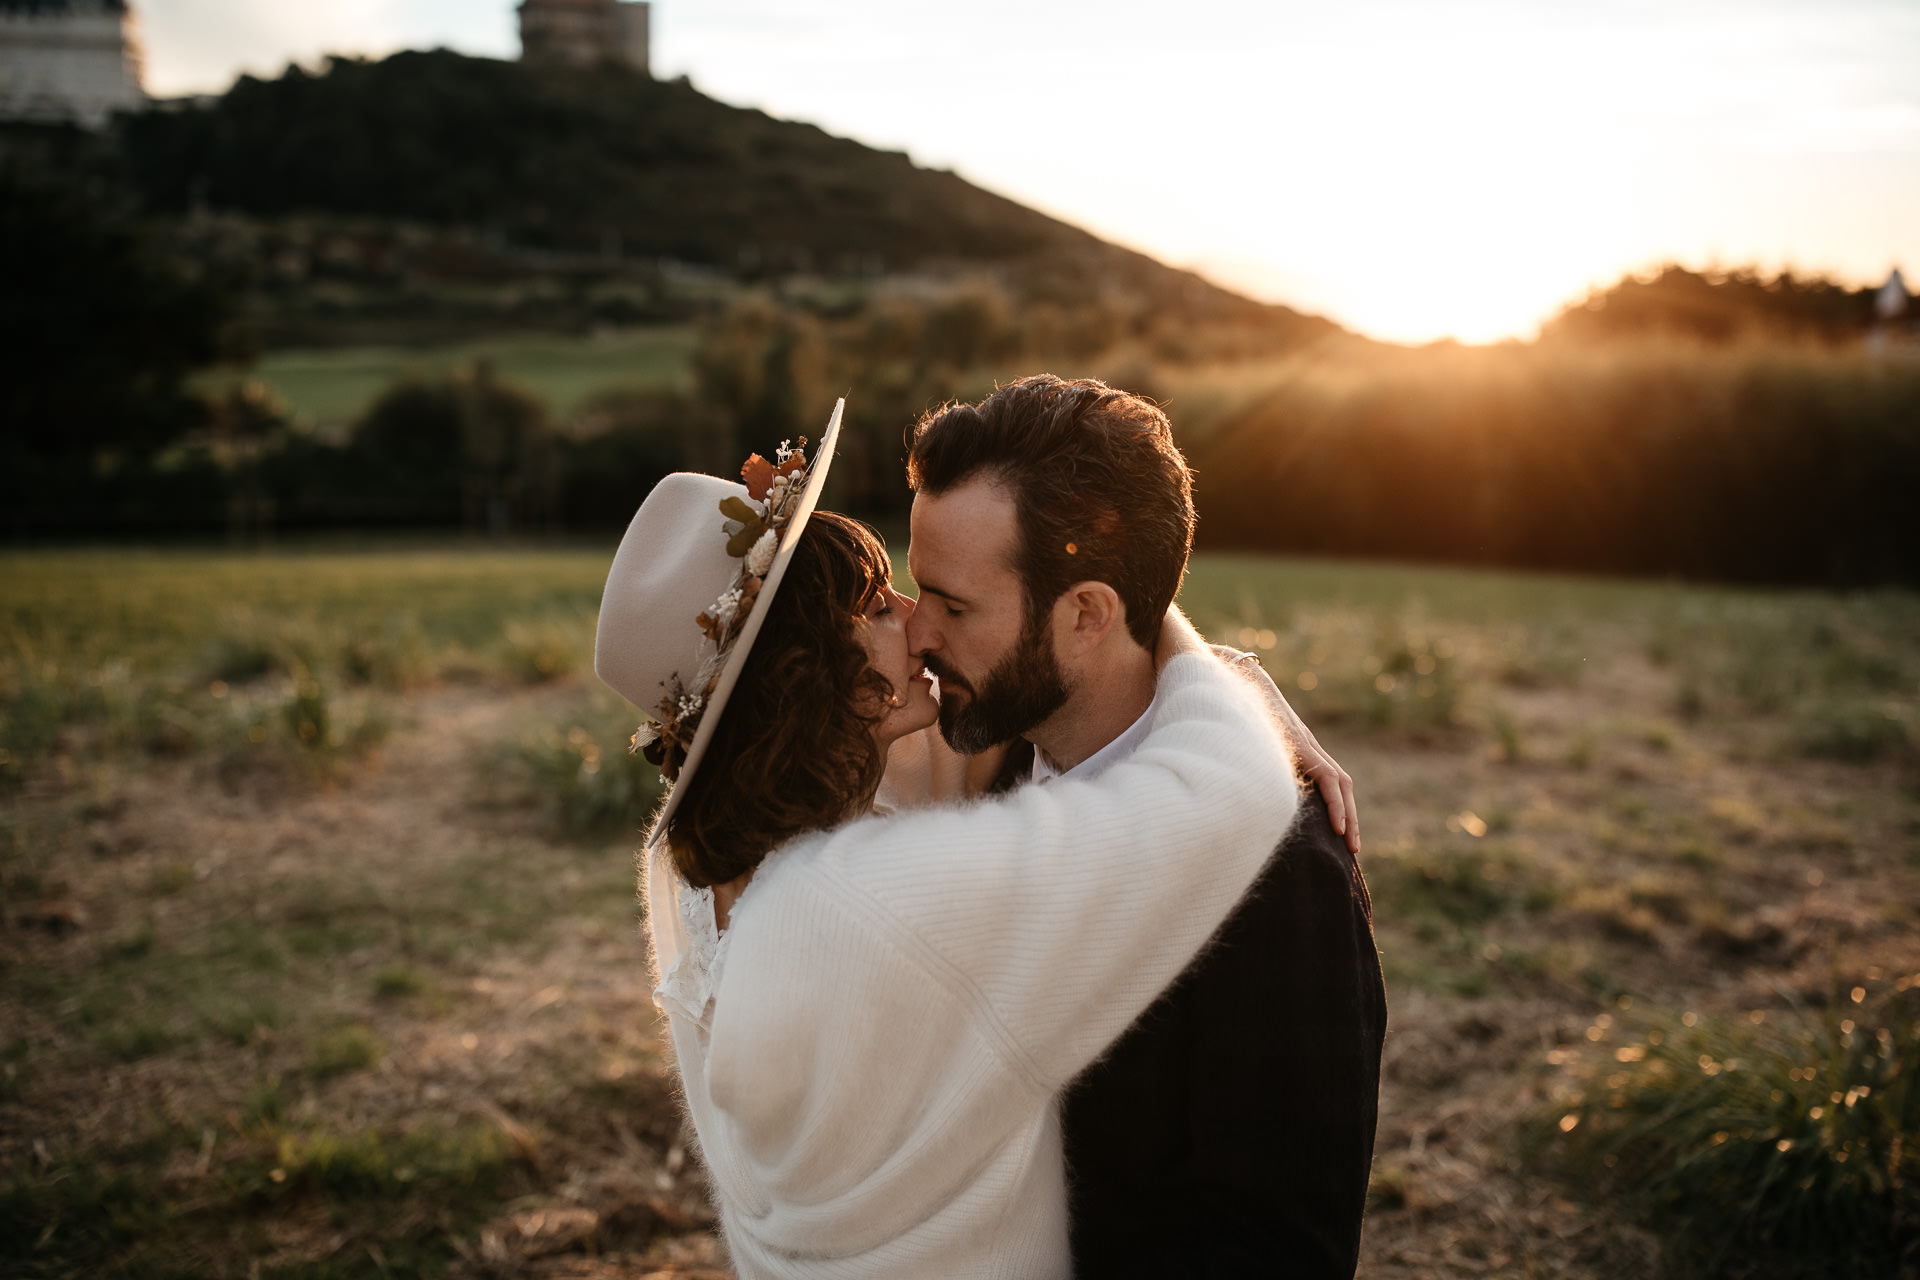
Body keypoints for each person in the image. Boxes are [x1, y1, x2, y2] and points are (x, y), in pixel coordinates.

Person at [594, 402, 1301, 1279]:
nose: (915, 619)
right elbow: (1228, 790)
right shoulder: (862, 907)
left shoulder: (703, 875)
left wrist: (1120, 617)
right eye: (873, 602)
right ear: (815, 680)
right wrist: (1185, 655)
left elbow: (1023, 680)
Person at [903, 375, 1388, 1278]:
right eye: (918, 588)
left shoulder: (1278, 880)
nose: (916, 634)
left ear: (1088, 613)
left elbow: (1279, 1252)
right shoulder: (992, 754)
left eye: (954, 605)